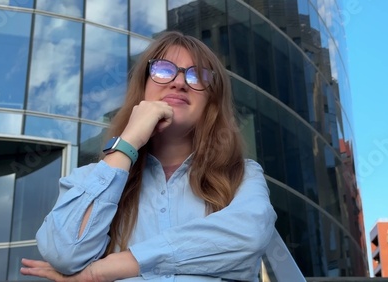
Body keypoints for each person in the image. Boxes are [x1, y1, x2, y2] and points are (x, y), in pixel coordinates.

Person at [20, 30, 277, 282]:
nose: (178, 82)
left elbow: (249, 235)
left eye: (196, 76)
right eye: (163, 70)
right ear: (142, 87)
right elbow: (64, 252)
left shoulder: (242, 175)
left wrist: (112, 268)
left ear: (211, 100)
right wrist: (129, 141)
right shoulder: (91, 179)